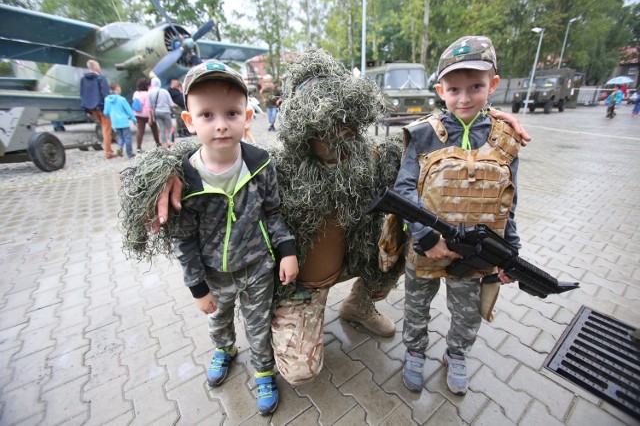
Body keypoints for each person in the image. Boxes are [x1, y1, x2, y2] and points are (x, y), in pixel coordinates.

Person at [124, 51, 531, 389]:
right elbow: (221, 158)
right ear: (303, 123)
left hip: (353, 262)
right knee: (300, 371)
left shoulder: (369, 159)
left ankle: (358, 306)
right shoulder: (275, 167)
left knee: (396, 249)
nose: (339, 133)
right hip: (300, 281)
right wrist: (168, 168)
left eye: (346, 123)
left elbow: (432, 139)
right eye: (327, 124)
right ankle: (278, 321)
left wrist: (488, 120)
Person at [393, 36, 523, 396]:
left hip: (476, 254)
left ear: (493, 84)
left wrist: (510, 253)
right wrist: (427, 237)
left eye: (476, 87)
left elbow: (509, 201)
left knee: (466, 313)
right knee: (417, 305)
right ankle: (416, 350)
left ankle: (457, 353)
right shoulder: (423, 135)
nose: (464, 98)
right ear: (440, 90)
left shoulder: (506, 140)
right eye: (454, 89)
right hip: (426, 248)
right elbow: (404, 192)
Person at [174, 60, 299, 415]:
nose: (221, 125)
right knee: (218, 317)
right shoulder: (186, 178)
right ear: (189, 121)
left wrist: (286, 249)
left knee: (258, 323)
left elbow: (273, 212)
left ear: (247, 116)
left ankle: (263, 370)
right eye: (207, 115)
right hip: (214, 272)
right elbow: (183, 239)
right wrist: (197, 287)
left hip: (258, 266)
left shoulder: (261, 164)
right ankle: (225, 349)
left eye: (231, 113)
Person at [80, 60, 115, 158]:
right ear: (95, 67)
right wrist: (109, 108)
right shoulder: (101, 78)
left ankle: (110, 146)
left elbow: (83, 94)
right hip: (102, 107)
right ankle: (108, 152)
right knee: (106, 128)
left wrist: (86, 110)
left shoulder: (83, 79)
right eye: (98, 66)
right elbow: (106, 95)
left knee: (104, 127)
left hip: (91, 108)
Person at [103, 82, 137, 158]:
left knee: (120, 137)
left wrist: (111, 115)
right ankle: (129, 153)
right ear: (117, 89)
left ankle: (119, 147)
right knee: (127, 137)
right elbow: (129, 110)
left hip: (115, 122)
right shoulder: (122, 99)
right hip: (123, 121)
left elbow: (106, 112)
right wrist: (134, 119)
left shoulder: (107, 100)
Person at [132, 78, 161, 152]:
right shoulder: (146, 94)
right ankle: (158, 144)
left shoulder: (136, 93)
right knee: (155, 129)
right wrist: (150, 118)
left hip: (138, 114)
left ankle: (138, 147)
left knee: (140, 131)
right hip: (147, 115)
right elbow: (148, 107)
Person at [148, 77, 176, 148]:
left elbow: (149, 106)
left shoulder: (150, 92)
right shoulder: (164, 91)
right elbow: (171, 104)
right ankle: (172, 143)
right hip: (166, 112)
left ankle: (164, 144)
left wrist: (150, 118)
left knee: (161, 128)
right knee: (170, 128)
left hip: (156, 113)